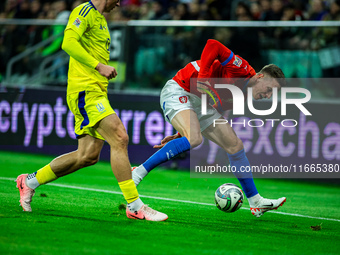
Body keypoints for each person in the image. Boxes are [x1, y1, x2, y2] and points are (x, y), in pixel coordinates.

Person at [16, 0, 167, 222]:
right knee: (120, 136)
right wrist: (98, 65)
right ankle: (135, 206)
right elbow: (68, 42)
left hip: (95, 91)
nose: (119, 3)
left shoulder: (101, 19)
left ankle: (28, 182)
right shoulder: (84, 11)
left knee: (86, 156)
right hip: (85, 91)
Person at [132, 39, 286, 218]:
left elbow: (215, 107)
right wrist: (204, 77)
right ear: (260, 77)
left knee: (235, 146)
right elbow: (213, 44)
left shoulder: (242, 96)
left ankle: (256, 201)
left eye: (271, 94)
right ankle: (138, 173)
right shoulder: (242, 69)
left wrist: (180, 133)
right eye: (268, 89)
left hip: (201, 104)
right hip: (180, 89)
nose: (267, 95)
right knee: (195, 139)